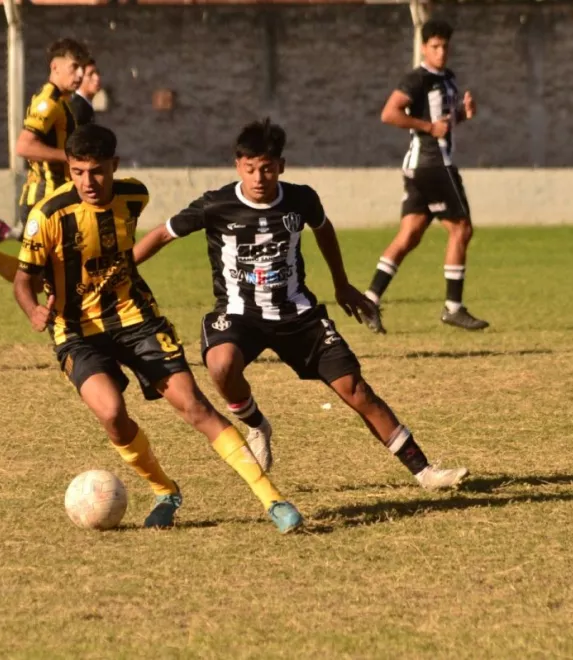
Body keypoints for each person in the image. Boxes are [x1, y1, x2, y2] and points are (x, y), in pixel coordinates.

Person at [134, 119, 468, 491]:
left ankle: (425, 472)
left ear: (281, 166)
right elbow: (163, 234)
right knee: (221, 364)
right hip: (238, 313)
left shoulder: (301, 199)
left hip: (298, 314)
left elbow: (324, 229)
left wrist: (341, 285)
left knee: (355, 389)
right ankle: (256, 423)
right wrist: (122, 269)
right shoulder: (217, 204)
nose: (259, 177)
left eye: (267, 168)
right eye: (250, 169)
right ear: (237, 166)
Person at [13, 123, 304, 533]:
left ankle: (273, 501)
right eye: (78, 171)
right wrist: (32, 311)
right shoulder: (48, 216)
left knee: (195, 407)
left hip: (136, 319)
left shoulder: (134, 197)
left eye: (96, 171)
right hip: (76, 330)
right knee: (113, 413)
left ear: (114, 165)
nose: (87, 181)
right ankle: (165, 491)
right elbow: (22, 280)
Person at [365, 19, 488, 333]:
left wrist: (464, 114)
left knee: (410, 235)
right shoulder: (416, 79)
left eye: (445, 46)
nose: (441, 51)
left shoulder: (448, 79)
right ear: (424, 48)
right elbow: (389, 113)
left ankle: (370, 300)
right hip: (432, 165)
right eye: (435, 46)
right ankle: (453, 307)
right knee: (461, 229)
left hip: (426, 165)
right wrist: (428, 128)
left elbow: (444, 121)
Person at [0, 38, 90, 279]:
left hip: (48, 197)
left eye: (82, 68)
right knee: (54, 276)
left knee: (45, 277)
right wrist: (68, 157)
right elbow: (24, 146)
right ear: (55, 66)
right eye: (74, 67)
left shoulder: (59, 101)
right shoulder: (49, 103)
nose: (80, 74)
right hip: (48, 198)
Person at [69, 57, 101, 126]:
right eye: (90, 74)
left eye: (97, 73)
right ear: (79, 79)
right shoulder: (77, 108)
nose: (97, 78)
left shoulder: (85, 105)